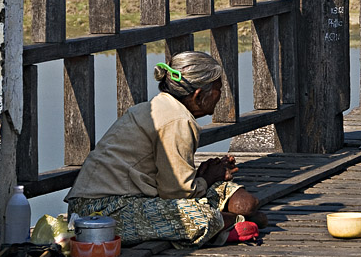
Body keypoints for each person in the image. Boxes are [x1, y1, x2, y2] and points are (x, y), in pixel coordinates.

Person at [65, 51, 267, 246]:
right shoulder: (177, 120)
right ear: (198, 95)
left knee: (219, 192)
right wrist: (206, 179)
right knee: (199, 217)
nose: (221, 95)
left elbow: (169, 182)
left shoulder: (163, 108)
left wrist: (205, 177)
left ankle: (231, 220)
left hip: (137, 199)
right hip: (99, 213)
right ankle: (231, 222)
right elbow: (176, 193)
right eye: (218, 89)